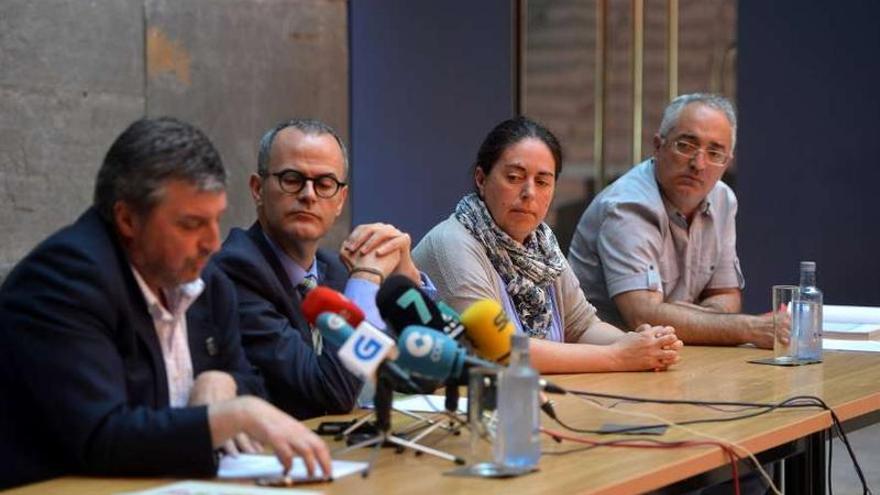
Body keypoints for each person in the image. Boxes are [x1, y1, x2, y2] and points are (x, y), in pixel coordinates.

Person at [0, 117, 330, 489]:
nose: (213, 243)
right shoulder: (64, 281)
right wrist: (226, 417)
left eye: (216, 220)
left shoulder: (208, 282)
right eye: (191, 224)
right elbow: (100, 438)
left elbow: (252, 385)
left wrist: (223, 382)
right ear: (127, 218)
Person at [413, 117, 682, 373]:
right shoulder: (452, 244)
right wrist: (618, 356)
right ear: (481, 180)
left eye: (542, 182)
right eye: (515, 177)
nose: (529, 193)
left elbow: (582, 327)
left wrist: (641, 343)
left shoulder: (542, 245)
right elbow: (500, 351)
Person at [212, 118, 428, 419]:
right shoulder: (236, 271)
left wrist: (406, 278)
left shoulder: (334, 272)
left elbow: (423, 373)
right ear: (258, 189)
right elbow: (331, 392)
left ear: (340, 200)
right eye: (291, 179)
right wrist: (366, 279)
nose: (309, 194)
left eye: (324, 183)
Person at [567, 93, 775, 348]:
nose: (699, 164)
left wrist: (676, 315)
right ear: (658, 145)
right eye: (686, 146)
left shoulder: (722, 199)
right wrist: (748, 327)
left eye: (715, 153)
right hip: (610, 356)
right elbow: (642, 316)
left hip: (676, 351)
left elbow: (726, 295)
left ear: (727, 162)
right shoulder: (628, 205)